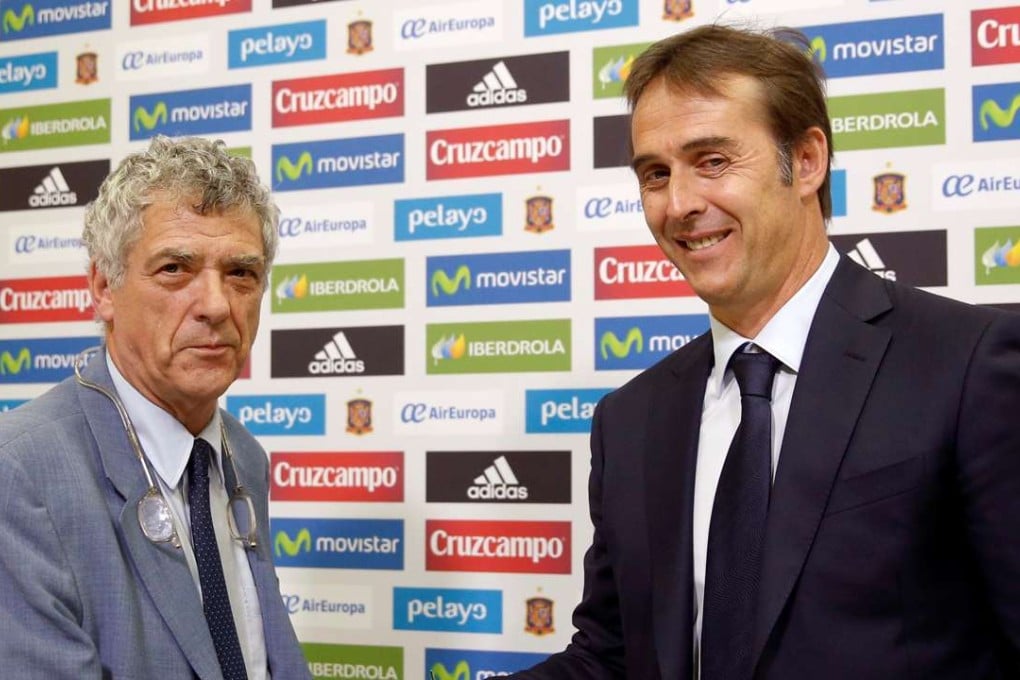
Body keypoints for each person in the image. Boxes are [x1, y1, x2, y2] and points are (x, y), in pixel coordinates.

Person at [509, 24, 1020, 680]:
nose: (681, 204)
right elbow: (610, 656)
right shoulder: (628, 420)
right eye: (656, 174)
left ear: (807, 161)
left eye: (713, 161)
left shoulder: (967, 366)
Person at [0, 136, 311, 679]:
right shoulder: (20, 474)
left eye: (241, 273)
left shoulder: (244, 455)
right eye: (175, 268)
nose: (216, 305)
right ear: (103, 286)